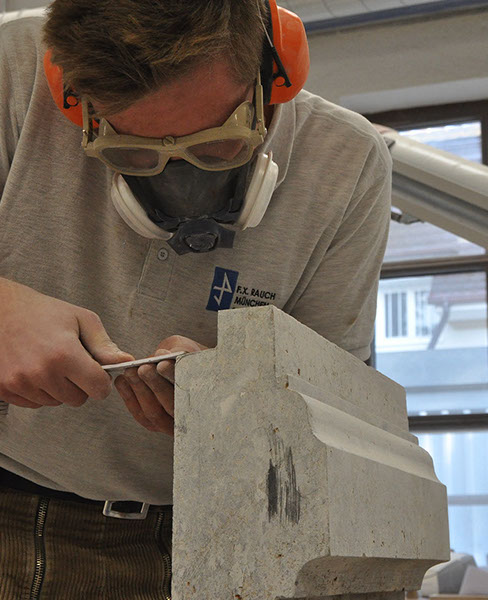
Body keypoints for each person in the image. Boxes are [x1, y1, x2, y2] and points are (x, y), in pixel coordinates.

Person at [0, 0, 391, 597]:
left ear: (271, 75)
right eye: (133, 152)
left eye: (216, 149)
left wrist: (248, 400)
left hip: (215, 532)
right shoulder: (13, 70)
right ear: (74, 97)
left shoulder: (346, 164)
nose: (178, 187)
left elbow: (337, 417)